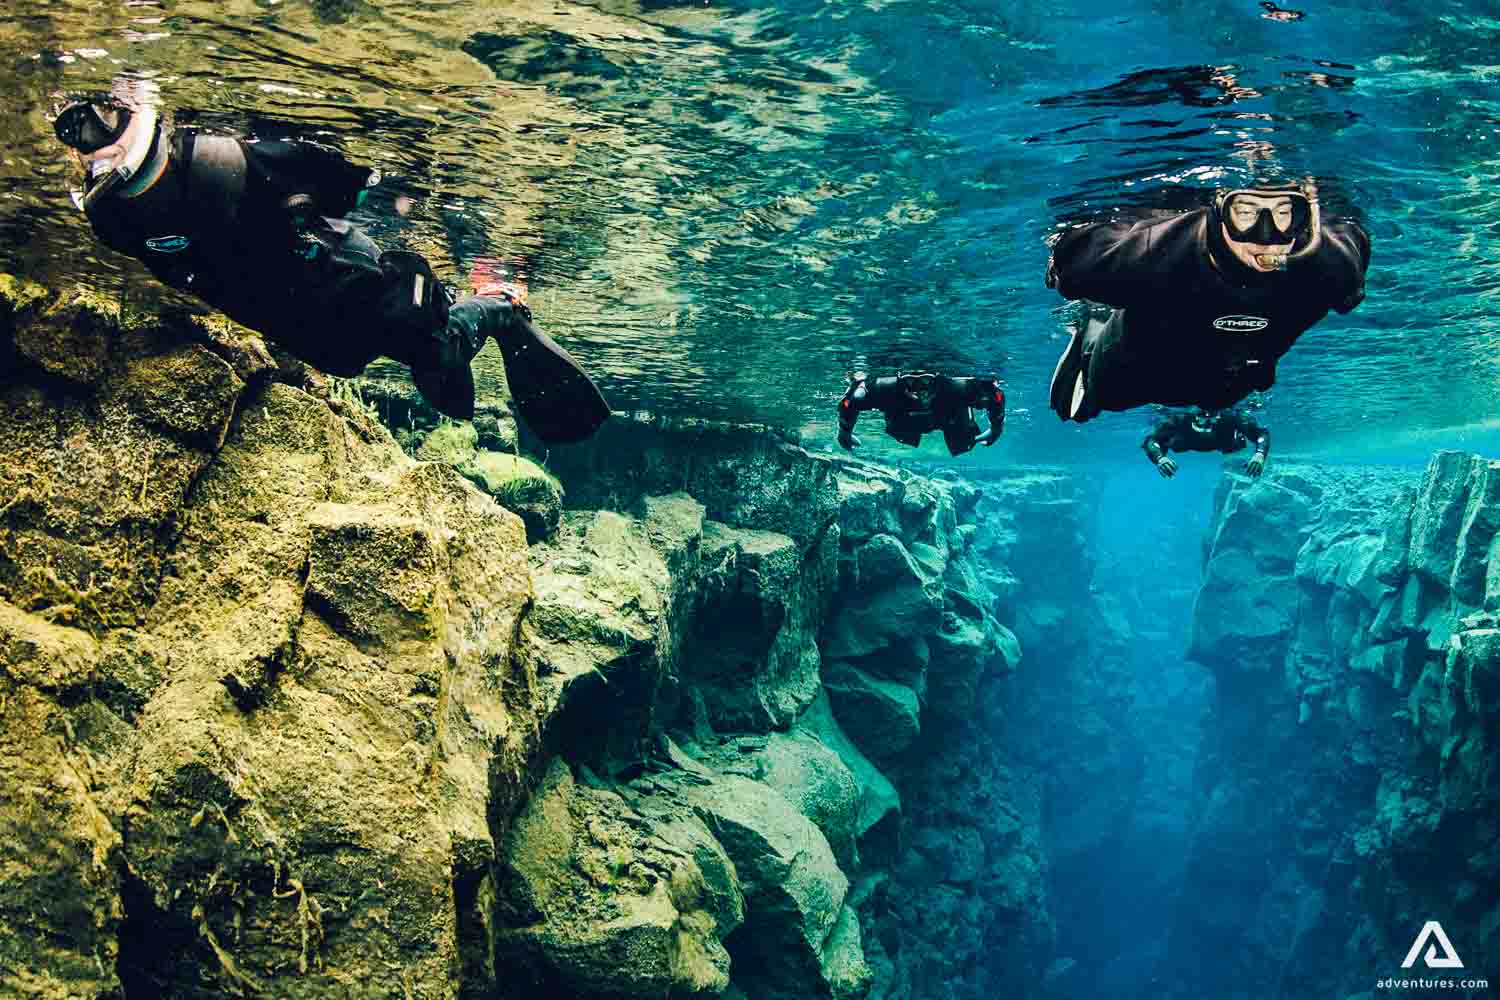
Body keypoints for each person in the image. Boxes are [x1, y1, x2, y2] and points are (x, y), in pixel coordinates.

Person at [52, 91, 609, 443]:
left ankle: (500, 305)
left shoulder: (224, 164)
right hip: (324, 323)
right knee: (417, 357)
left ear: (141, 108)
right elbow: (350, 186)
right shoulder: (116, 218)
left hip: (355, 296)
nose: (91, 142)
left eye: (104, 118)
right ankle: (467, 319)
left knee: (437, 351)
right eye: (77, 131)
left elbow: (360, 184)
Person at [1045, 179, 1369, 423]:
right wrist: (1060, 264)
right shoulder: (1155, 251)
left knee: (1221, 401)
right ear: (1219, 214)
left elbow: (1351, 263)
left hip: (1232, 376)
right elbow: (1073, 265)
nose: (1266, 237)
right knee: (1099, 401)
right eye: (1245, 213)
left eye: (1284, 213)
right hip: (1138, 366)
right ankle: (1091, 329)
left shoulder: (1331, 266)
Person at [837, 372, 1005, 456]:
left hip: (949, 413)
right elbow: (851, 400)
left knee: (963, 442)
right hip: (904, 416)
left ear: (938, 382)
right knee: (899, 429)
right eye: (911, 382)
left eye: (926, 382)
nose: (920, 391)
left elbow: (994, 394)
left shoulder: (958, 388)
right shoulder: (885, 388)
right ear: (901, 383)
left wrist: (996, 427)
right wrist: (844, 431)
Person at [1142, 408, 1269, 479]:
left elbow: (1261, 433)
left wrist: (1260, 454)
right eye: (1202, 421)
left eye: (1211, 420)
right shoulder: (1178, 419)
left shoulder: (1231, 416)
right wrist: (1159, 458)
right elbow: (1151, 440)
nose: (1207, 424)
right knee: (1163, 433)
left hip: (1223, 441)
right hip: (1185, 440)